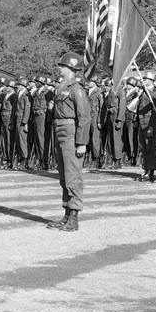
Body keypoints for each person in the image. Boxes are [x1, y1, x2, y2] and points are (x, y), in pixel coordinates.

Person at [47, 52, 90, 232]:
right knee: (64, 177)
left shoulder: (76, 89)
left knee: (73, 176)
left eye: (62, 66)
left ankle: (74, 217)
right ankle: (66, 215)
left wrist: (81, 143)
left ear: (72, 69)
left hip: (71, 133)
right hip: (60, 131)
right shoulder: (61, 87)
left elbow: (84, 117)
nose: (60, 68)